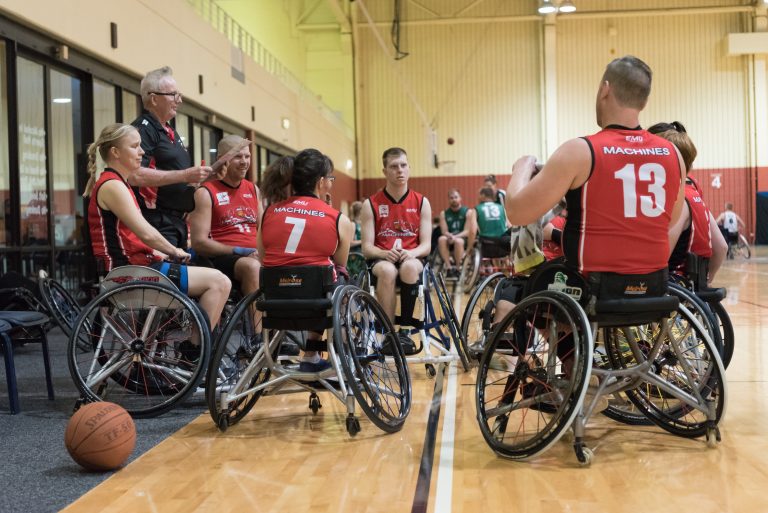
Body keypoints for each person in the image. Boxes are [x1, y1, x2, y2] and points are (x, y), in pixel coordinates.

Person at [84, 123, 231, 328]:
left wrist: (161, 253)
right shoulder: (112, 186)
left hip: (135, 268)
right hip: (130, 274)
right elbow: (145, 233)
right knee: (220, 282)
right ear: (116, 152)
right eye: (135, 146)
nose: (142, 152)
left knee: (209, 271)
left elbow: (131, 238)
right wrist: (173, 250)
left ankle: (194, 347)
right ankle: (195, 351)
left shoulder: (117, 183)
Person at [258, 149, 354, 372]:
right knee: (336, 280)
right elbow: (340, 263)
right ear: (320, 182)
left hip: (274, 301)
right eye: (330, 179)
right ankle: (315, 354)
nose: (331, 183)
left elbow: (263, 257)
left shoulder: (269, 212)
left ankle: (306, 355)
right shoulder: (338, 219)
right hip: (316, 303)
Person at [130, 66, 215, 249]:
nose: (180, 100)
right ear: (153, 98)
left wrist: (206, 176)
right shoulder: (143, 129)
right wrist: (185, 175)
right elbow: (134, 175)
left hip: (178, 221)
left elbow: (178, 176)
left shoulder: (171, 132)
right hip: (156, 222)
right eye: (173, 95)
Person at [360, 147, 432, 353]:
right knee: (388, 270)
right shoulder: (370, 204)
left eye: (403, 165)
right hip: (382, 259)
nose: (399, 170)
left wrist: (413, 253)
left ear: (409, 168)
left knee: (408, 267)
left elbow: (426, 245)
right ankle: (389, 333)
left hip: (412, 257)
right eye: (393, 166)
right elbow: (366, 248)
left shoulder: (421, 202)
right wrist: (384, 254)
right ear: (384, 171)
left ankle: (406, 332)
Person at [648, 121, 727, 283]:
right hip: (691, 287)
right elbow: (721, 247)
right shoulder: (692, 189)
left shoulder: (677, 198)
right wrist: (705, 283)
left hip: (672, 284)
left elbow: (659, 259)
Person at [189, 135, 262, 298]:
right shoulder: (205, 192)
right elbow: (199, 243)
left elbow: (264, 230)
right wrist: (240, 250)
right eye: (238, 156)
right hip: (222, 258)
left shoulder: (253, 189)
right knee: (252, 267)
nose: (244, 162)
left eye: (247, 156)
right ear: (222, 159)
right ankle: (260, 324)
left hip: (254, 255)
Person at [437, 188, 476, 278]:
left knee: (458, 241)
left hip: (463, 239)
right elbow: (444, 231)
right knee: (441, 239)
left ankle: (458, 268)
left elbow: (467, 232)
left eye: (456, 197)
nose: (454, 199)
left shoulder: (468, 212)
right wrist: (449, 236)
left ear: (460, 198)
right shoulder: (444, 213)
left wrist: (455, 237)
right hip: (449, 238)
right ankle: (449, 268)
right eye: (451, 198)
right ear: (449, 200)